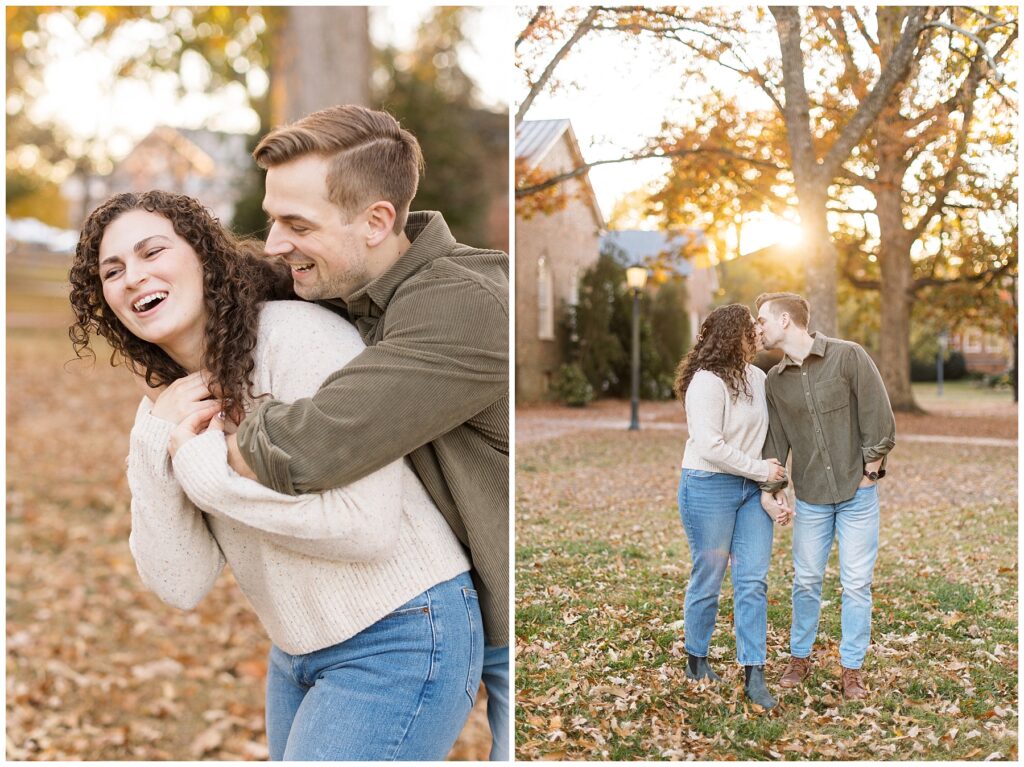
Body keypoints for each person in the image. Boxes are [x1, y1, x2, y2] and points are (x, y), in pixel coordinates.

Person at [68, 190, 483, 760]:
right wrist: (150, 445)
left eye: (151, 252)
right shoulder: (172, 407)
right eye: (112, 271)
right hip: (296, 652)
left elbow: (367, 529)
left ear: (203, 257)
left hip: (404, 632)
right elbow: (180, 584)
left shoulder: (298, 338)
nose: (133, 278)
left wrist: (212, 481)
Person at [220, 104, 510, 760]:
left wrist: (201, 437)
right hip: (369, 616)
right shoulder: (345, 290)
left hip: (504, 624)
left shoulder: (461, 304)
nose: (273, 242)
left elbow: (315, 443)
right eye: (272, 218)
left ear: (378, 220)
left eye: (297, 224)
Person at [755, 292, 896, 701]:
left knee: (856, 584)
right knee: (806, 582)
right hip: (813, 496)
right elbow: (775, 442)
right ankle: (799, 658)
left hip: (858, 494)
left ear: (785, 320)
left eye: (762, 319)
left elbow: (878, 415)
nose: (757, 327)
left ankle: (851, 669)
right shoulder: (774, 382)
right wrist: (774, 490)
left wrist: (871, 472)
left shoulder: (848, 356)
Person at [674, 304, 790, 710]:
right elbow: (710, 445)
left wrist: (771, 485)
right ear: (732, 335)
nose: (759, 333)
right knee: (710, 574)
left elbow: (767, 439)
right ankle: (697, 660)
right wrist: (760, 470)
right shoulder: (706, 382)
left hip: (750, 491)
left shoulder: (758, 378)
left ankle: (753, 672)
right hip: (708, 486)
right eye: (751, 328)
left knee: (753, 581)